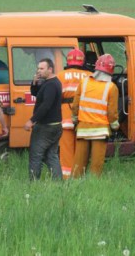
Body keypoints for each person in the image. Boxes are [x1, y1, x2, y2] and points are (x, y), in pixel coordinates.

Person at [71, 54, 119, 178]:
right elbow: (112, 112)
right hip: (100, 131)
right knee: (96, 164)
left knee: (79, 162)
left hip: (83, 129)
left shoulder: (84, 82)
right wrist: (115, 126)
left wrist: (75, 120)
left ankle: (75, 184)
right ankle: (93, 184)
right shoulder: (111, 87)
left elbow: (75, 105)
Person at [56, 48, 92, 179]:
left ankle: (66, 176)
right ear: (83, 62)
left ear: (68, 61)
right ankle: (80, 175)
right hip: (85, 117)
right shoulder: (90, 75)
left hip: (66, 117)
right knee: (82, 150)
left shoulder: (61, 75)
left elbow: (56, 96)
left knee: (66, 150)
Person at [24, 58, 63, 181]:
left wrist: (32, 120)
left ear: (50, 69)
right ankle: (58, 182)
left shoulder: (51, 85)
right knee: (51, 155)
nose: (38, 71)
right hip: (56, 125)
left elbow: (46, 105)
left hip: (46, 127)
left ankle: (34, 183)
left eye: (41, 68)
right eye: (38, 68)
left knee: (36, 155)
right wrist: (34, 83)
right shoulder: (50, 82)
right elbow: (37, 94)